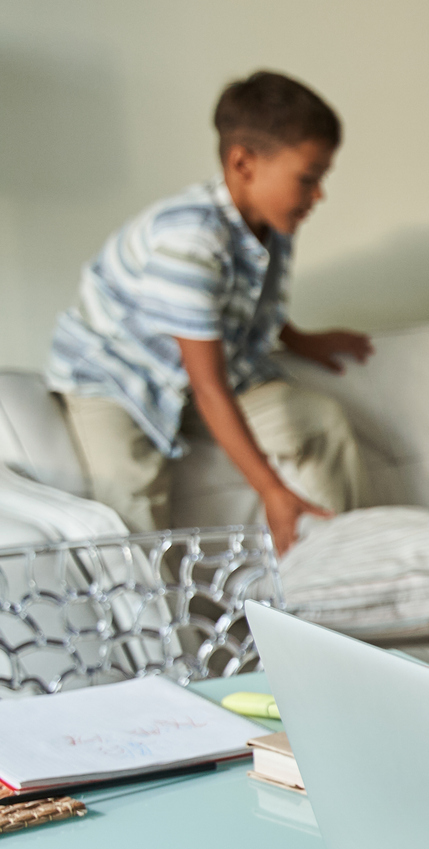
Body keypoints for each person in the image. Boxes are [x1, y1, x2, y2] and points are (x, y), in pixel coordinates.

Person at [46, 70, 370, 551]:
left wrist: (300, 339)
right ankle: (156, 626)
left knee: (318, 422)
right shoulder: (191, 240)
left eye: (322, 178)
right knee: (131, 498)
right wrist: (271, 490)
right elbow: (208, 387)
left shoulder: (274, 224)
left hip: (202, 371)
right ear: (244, 164)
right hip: (118, 379)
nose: (318, 194)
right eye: (308, 179)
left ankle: (342, 569)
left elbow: (247, 302)